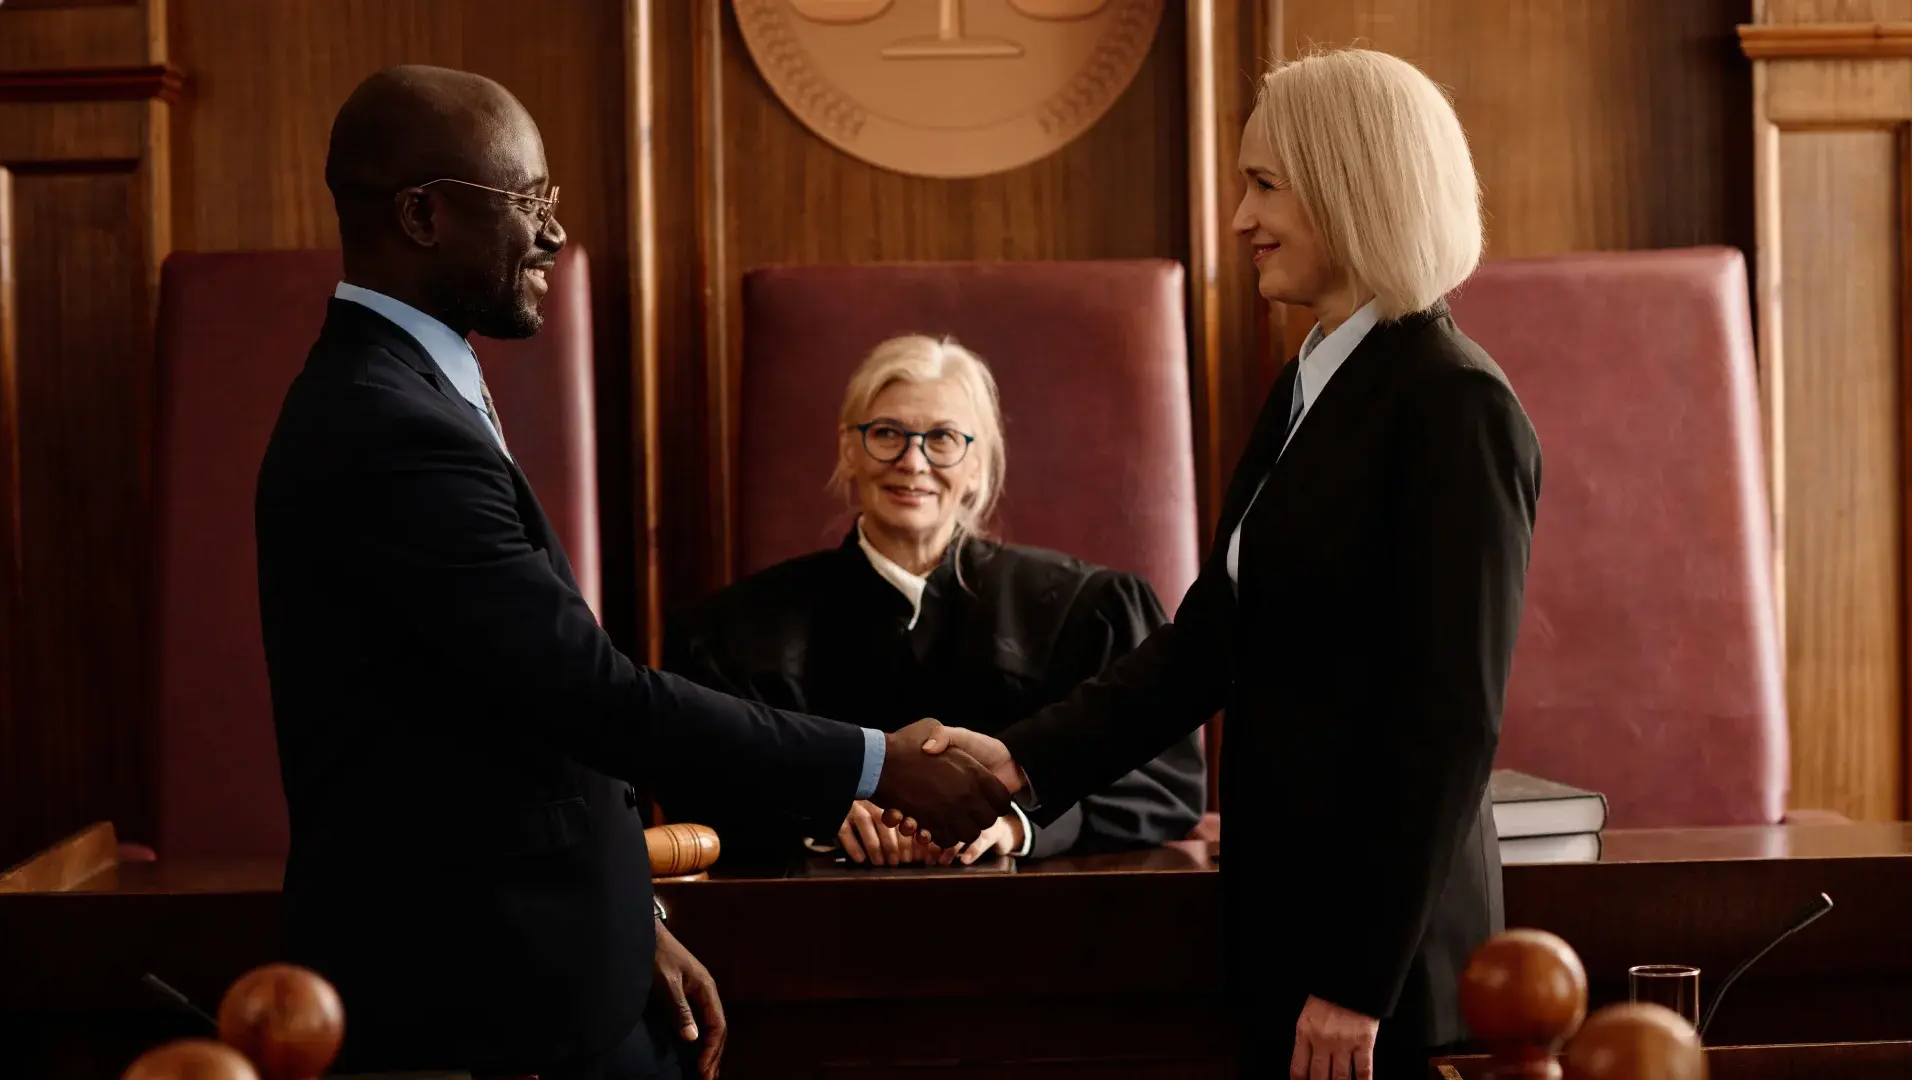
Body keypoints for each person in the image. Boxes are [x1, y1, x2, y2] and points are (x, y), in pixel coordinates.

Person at [254, 65, 1009, 1080]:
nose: (556, 233)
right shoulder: (387, 427)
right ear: (424, 215)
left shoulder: (417, 387)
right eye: (529, 202)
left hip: (558, 958)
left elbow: (499, 721)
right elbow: (583, 694)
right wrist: (878, 761)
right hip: (477, 999)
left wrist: (626, 914)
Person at [926, 47, 1542, 1079]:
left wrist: (1356, 982)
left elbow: (1449, 724)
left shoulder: (1454, 403)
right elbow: (1212, 642)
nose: (1241, 219)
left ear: (1353, 189)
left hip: (1384, 985)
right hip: (1283, 939)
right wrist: (1019, 760)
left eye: (1265, 185)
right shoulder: (1312, 380)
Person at [660, 335, 1206, 866]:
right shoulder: (736, 632)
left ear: (977, 464)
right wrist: (813, 807)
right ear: (849, 449)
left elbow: (1162, 786)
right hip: (814, 928)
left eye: (942, 438)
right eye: (886, 433)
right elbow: (693, 777)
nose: (913, 462)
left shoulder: (1089, 610)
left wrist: (1015, 824)